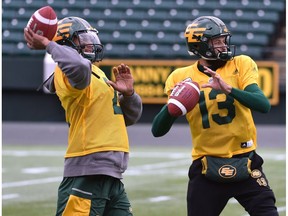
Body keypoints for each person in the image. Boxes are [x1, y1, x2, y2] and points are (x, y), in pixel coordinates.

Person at [151, 16, 279, 216]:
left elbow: (263, 105)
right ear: (201, 46)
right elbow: (157, 131)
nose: (223, 45)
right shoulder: (180, 77)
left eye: (223, 40)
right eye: (217, 42)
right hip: (205, 167)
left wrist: (229, 89)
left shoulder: (241, 64)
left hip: (246, 161)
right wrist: (174, 106)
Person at [24, 16, 142, 216]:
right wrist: (48, 44)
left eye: (90, 37)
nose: (90, 43)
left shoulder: (98, 73)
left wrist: (129, 95)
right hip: (88, 168)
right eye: (82, 39)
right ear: (66, 44)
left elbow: (128, 118)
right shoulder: (66, 72)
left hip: (110, 172)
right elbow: (77, 67)